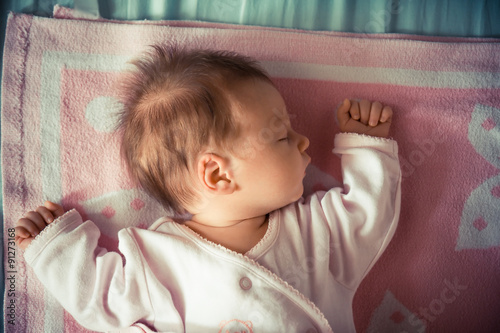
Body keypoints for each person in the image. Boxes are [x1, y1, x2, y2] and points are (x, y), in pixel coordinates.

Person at [15, 44, 401, 333]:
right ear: (218, 175)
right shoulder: (156, 258)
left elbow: (368, 214)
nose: (304, 143)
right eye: (282, 135)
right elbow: (99, 296)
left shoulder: (316, 230)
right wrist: (57, 249)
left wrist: (365, 144)